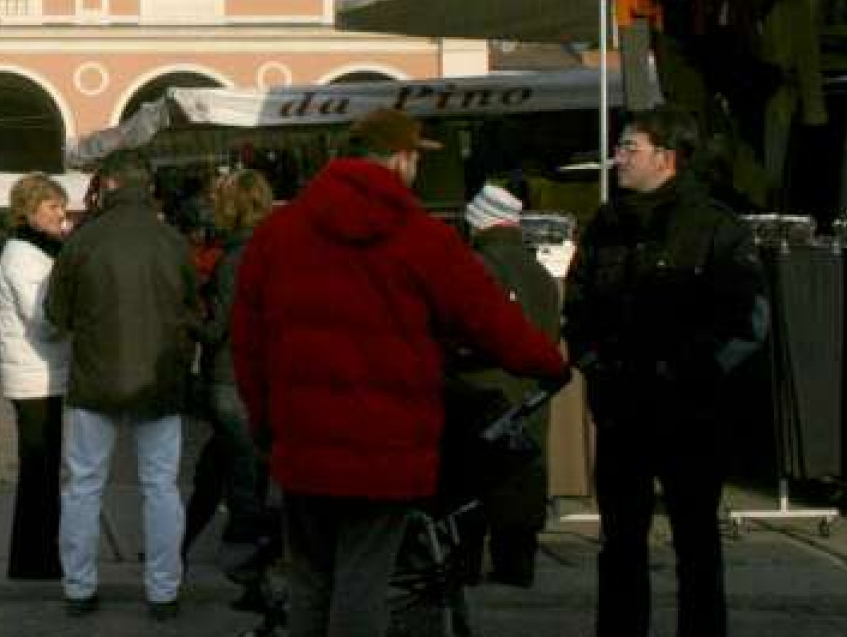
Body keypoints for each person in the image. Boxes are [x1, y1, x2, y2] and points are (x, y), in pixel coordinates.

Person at [230, 108, 568, 637]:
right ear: (403, 159)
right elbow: (487, 317)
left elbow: (247, 343)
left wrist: (266, 426)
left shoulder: (279, 233)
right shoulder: (421, 236)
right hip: (385, 439)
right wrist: (547, 362)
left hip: (303, 436)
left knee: (311, 580)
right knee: (363, 579)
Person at [564, 106, 765, 637]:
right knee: (621, 544)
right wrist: (593, 363)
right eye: (620, 146)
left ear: (667, 158)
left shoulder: (717, 227)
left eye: (630, 147)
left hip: (690, 413)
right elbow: (578, 305)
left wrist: (698, 373)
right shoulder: (608, 223)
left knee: (696, 542)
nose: (618, 158)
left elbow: (748, 323)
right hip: (622, 410)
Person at [46, 149, 200, 620]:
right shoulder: (172, 240)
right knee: (161, 486)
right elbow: (192, 308)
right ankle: (163, 591)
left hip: (95, 377)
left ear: (108, 185)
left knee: (84, 486)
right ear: (146, 186)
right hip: (159, 378)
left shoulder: (84, 240)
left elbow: (57, 313)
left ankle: (79, 588)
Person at [451, 184, 562, 589]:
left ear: (477, 222)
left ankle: (463, 565)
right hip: (529, 397)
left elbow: (462, 331)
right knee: (522, 482)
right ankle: (517, 565)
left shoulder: (475, 266)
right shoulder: (542, 276)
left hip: (478, 393)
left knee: (470, 489)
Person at [183, 170, 278, 607]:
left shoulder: (235, 257)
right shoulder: (272, 249)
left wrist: (184, 311)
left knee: (241, 483)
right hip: (257, 375)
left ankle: (252, 576)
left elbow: (216, 328)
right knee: (215, 472)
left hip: (230, 378)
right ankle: (176, 550)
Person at [0, 173, 71, 581]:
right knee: (39, 471)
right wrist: (76, 318)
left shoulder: (36, 252)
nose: (62, 214)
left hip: (42, 373)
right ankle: (35, 559)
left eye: (62, 205)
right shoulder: (24, 256)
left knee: (42, 471)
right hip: (34, 376)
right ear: (29, 211)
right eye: (53, 207)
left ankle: (36, 556)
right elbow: (44, 322)